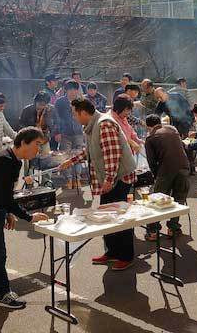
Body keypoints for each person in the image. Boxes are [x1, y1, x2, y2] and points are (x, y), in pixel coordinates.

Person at [0, 127, 49, 309]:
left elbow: (5, 194)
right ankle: (2, 293)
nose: (38, 149)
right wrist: (29, 217)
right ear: (23, 143)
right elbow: (6, 198)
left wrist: (8, 213)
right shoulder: (5, 161)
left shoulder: (15, 161)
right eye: (37, 144)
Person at [60, 99, 137, 271]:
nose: (74, 117)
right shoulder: (92, 126)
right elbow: (91, 151)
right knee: (106, 216)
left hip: (118, 179)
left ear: (83, 112)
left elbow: (113, 155)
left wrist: (109, 180)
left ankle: (126, 256)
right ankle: (112, 252)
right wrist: (71, 161)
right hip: (107, 179)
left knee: (119, 218)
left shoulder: (104, 124)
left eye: (74, 113)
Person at [143, 114, 190, 239]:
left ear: (148, 126)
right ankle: (173, 228)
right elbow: (183, 147)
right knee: (179, 198)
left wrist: (156, 176)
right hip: (183, 166)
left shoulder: (150, 138)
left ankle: (153, 231)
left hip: (166, 169)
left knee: (157, 200)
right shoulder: (172, 130)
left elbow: (152, 162)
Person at [19, 91, 55, 186]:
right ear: (35, 102)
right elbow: (21, 124)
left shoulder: (51, 110)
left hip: (44, 138)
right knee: (28, 162)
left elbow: (55, 124)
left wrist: (50, 135)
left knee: (47, 160)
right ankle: (29, 183)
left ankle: (46, 182)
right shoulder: (27, 110)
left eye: (44, 104)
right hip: (30, 139)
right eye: (39, 104)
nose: (41, 106)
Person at [54, 80, 85, 188]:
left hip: (78, 133)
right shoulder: (60, 102)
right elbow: (56, 118)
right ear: (66, 90)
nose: (72, 92)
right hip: (64, 133)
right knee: (65, 157)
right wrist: (57, 132)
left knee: (78, 156)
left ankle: (77, 179)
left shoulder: (81, 101)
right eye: (70, 89)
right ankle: (68, 179)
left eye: (75, 89)